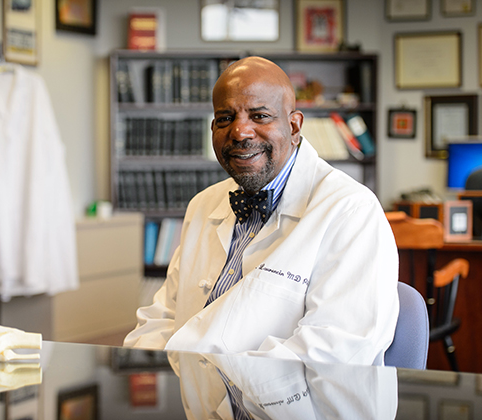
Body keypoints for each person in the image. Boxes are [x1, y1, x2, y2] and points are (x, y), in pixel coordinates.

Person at [124, 56, 399, 367]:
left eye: (260, 116)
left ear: (294, 127)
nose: (240, 132)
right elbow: (160, 320)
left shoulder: (351, 211)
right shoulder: (202, 205)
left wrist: (219, 377)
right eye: (225, 118)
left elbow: (334, 351)